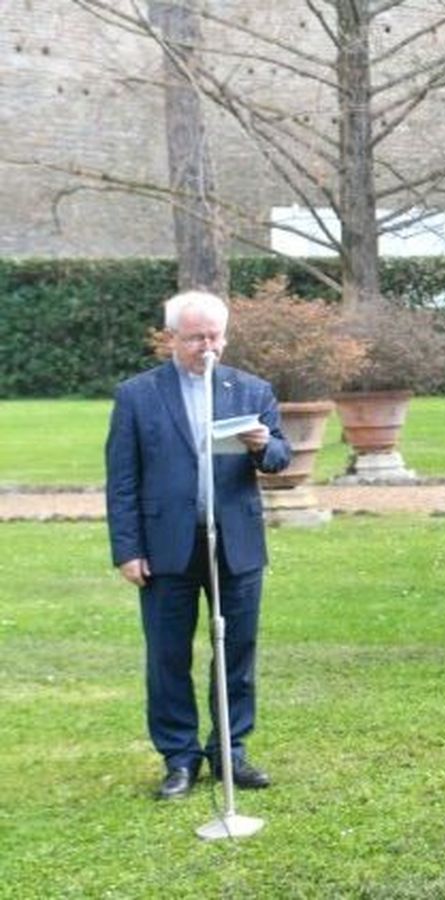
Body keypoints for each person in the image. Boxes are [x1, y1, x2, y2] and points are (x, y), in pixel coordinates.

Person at [105, 290, 291, 800]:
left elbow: (279, 457)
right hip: (165, 546)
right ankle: (179, 758)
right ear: (171, 339)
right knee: (168, 654)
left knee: (237, 651)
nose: (206, 347)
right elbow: (122, 480)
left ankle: (230, 750)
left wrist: (261, 445)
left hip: (236, 543)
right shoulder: (137, 396)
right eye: (194, 338)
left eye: (214, 336)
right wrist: (127, 549)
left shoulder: (250, 389)